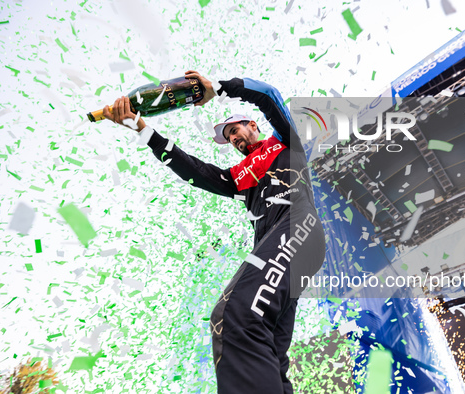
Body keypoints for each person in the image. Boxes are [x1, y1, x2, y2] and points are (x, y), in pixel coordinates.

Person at [102, 70, 326, 394]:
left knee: (232, 315)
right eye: (229, 136)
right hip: (282, 245)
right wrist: (142, 129)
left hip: (298, 226)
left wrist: (217, 88)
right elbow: (194, 170)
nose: (235, 138)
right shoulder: (238, 178)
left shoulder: (283, 140)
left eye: (236, 129)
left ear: (253, 125)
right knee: (270, 352)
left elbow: (269, 95)